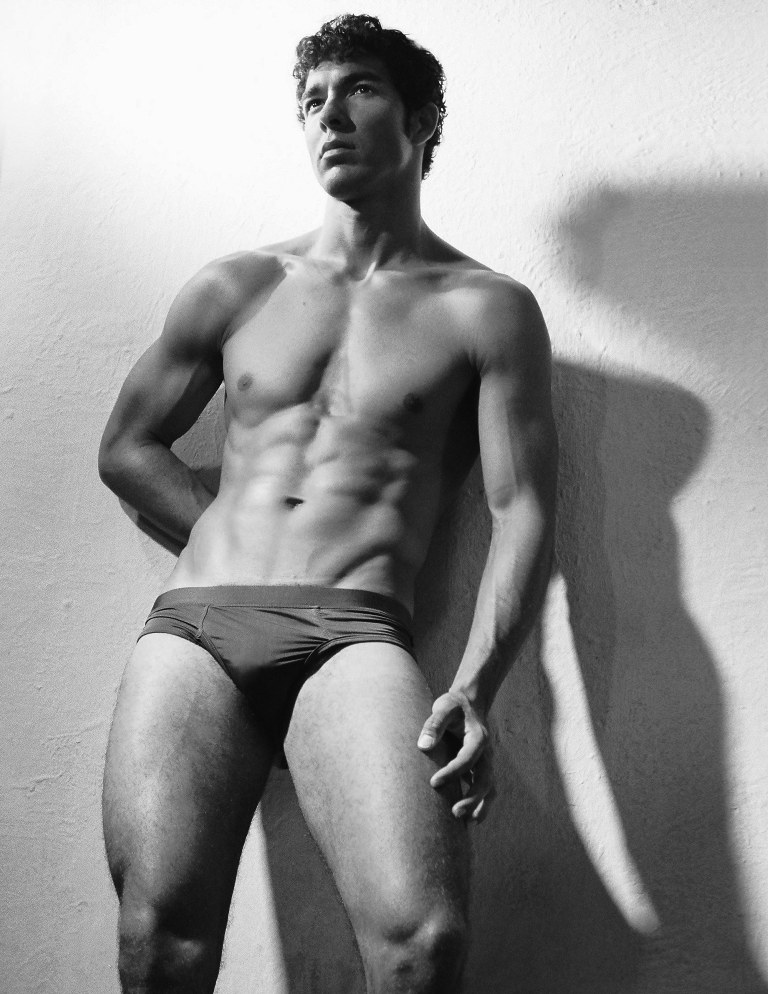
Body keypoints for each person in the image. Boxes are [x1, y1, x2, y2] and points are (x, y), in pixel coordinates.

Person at [98, 13, 558, 994]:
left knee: (423, 941)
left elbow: (522, 509)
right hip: (196, 628)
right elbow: (127, 447)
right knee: (160, 936)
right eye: (311, 101)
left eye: (359, 90)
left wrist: (477, 685)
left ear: (422, 119)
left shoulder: (486, 307)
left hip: (353, 635)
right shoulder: (235, 284)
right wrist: (231, 531)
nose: (328, 116)